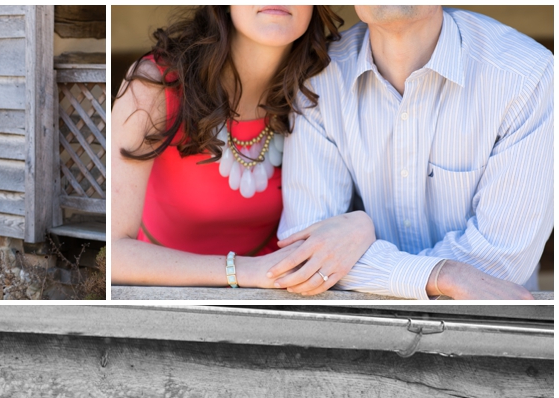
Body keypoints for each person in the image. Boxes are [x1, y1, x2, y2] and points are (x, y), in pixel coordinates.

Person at [271, 5, 553, 300]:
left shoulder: (525, 76)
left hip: (490, 328)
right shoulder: (318, 78)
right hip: (361, 323)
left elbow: (502, 264)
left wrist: (375, 268)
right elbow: (307, 255)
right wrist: (443, 275)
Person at [111, 5, 375, 293]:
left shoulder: (322, 86)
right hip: (168, 295)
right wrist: (246, 271)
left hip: (283, 291)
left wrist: (359, 226)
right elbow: (113, 252)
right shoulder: (155, 84)